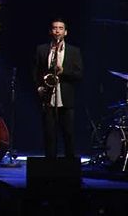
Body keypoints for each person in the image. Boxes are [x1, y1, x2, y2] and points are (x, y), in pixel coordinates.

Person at [33, 18, 83, 159]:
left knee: (68, 135)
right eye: (55, 28)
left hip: (66, 99)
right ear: (51, 31)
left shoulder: (74, 51)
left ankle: (69, 169)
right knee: (49, 136)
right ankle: (50, 168)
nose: (57, 31)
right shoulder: (42, 49)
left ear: (65, 32)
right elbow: (36, 71)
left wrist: (63, 71)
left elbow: (79, 74)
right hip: (48, 98)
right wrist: (39, 87)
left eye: (61, 28)